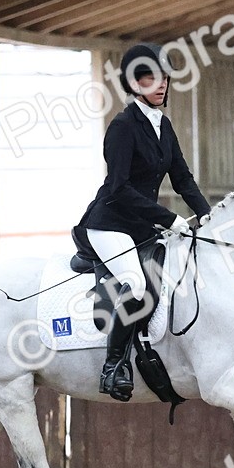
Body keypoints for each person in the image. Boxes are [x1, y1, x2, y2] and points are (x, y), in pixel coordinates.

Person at [72, 42, 211, 402]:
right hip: (110, 223)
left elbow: (182, 179)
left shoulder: (163, 125)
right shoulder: (122, 127)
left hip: (141, 226)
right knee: (136, 284)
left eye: (164, 77)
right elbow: (117, 189)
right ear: (134, 84)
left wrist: (211, 218)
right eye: (150, 78)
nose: (160, 84)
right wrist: (169, 217)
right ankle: (113, 366)